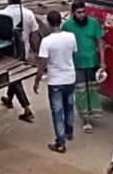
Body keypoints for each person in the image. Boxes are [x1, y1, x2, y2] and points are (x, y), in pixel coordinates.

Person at [34, 11, 78, 154]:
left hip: (55, 81)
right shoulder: (71, 37)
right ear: (60, 21)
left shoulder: (46, 41)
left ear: (48, 23)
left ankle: (60, 143)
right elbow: (73, 53)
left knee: (58, 111)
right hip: (70, 77)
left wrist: (37, 80)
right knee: (69, 105)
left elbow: (42, 64)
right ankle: (69, 131)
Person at [61, 0, 106, 133]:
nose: (82, 15)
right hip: (76, 64)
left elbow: (100, 42)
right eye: (79, 12)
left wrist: (102, 61)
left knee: (92, 89)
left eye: (83, 12)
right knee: (80, 92)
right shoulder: (67, 26)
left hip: (92, 62)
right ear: (73, 13)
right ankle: (85, 119)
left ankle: (93, 112)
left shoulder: (93, 23)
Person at [0, 0, 39, 123]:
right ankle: (9, 99)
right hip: (24, 50)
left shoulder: (2, 14)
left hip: (8, 52)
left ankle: (27, 109)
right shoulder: (29, 14)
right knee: (14, 75)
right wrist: (37, 52)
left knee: (15, 78)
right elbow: (34, 36)